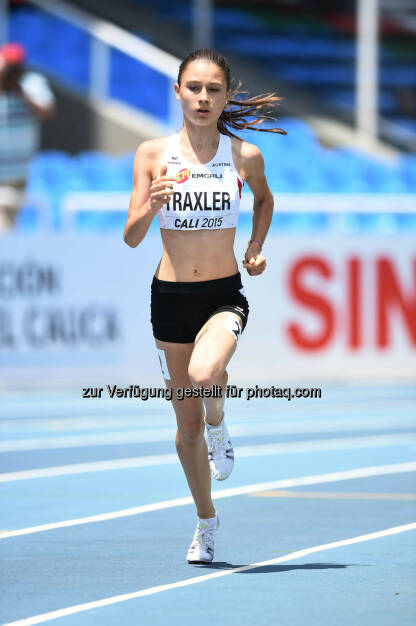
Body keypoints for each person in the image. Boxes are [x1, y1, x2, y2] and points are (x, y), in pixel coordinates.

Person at [124, 49, 286, 564]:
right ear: (177, 91)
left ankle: (220, 418)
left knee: (205, 371)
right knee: (185, 429)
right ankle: (206, 521)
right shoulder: (152, 154)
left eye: (213, 89)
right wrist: (151, 203)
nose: (202, 98)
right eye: (193, 88)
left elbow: (264, 200)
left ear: (225, 96)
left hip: (221, 294)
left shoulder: (244, 157)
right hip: (169, 298)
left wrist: (255, 247)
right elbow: (131, 238)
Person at [0, 42, 55, 232]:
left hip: (18, 172)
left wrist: (21, 92)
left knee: (9, 226)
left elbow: (46, 111)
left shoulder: (33, 82)